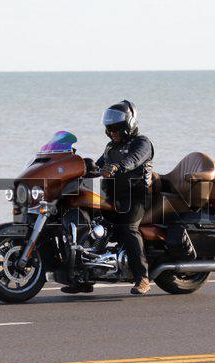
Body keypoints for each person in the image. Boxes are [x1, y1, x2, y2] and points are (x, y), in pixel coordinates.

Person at [61, 100, 154, 295]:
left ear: (128, 125)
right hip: (112, 199)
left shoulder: (142, 143)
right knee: (85, 223)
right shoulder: (111, 147)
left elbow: (133, 160)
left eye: (116, 129)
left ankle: (142, 278)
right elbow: (98, 166)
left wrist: (118, 167)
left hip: (135, 197)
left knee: (129, 229)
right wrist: (80, 167)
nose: (112, 132)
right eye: (110, 129)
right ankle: (82, 278)